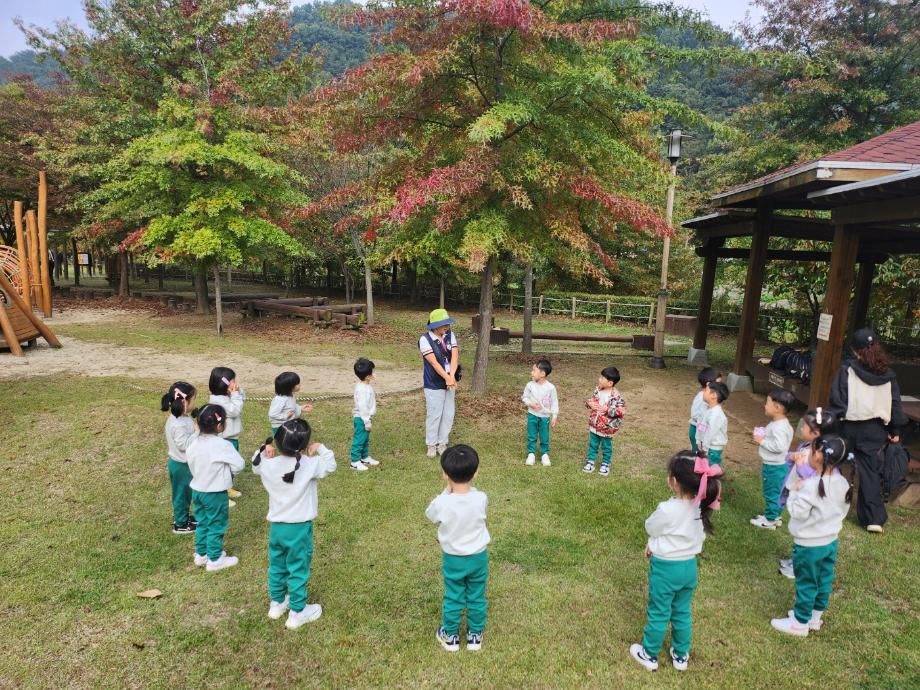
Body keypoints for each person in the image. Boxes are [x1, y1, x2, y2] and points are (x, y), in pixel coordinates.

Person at [629, 452, 723, 673]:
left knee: (659, 611)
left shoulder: (667, 509)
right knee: (682, 611)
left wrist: (653, 543)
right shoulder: (701, 507)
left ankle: (649, 654)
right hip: (689, 567)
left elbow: (651, 527)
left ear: (674, 482)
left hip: (665, 569)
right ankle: (681, 655)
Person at [252, 419, 337, 630]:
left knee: (277, 565)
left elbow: (255, 463)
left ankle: (277, 603)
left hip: (277, 528)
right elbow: (331, 465)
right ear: (304, 445)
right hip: (299, 528)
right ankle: (298, 612)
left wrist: (263, 449)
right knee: (298, 568)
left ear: (278, 442)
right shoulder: (310, 464)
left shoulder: (268, 465)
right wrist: (321, 448)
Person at [771, 435, 851, 637]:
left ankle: (799, 623)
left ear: (818, 456)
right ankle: (814, 618)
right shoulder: (843, 483)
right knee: (823, 580)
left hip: (808, 546)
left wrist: (794, 491)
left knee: (806, 582)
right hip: (830, 542)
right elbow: (841, 511)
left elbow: (797, 512)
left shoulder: (810, 485)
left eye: (811, 451)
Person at [829, 328, 908, 533]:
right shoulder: (888, 375)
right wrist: (895, 429)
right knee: (870, 472)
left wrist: (831, 426)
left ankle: (830, 506)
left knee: (835, 464)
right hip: (874, 429)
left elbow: (838, 401)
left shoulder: (846, 370)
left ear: (855, 350)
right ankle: (873, 519)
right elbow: (895, 405)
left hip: (848, 426)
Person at [426, 444, 490, 652]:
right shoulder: (481, 498)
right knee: (476, 595)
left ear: (445, 474)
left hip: (453, 558)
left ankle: (451, 637)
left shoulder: (442, 503)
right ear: (476, 472)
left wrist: (447, 491)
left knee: (454, 595)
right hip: (478, 557)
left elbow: (430, 514)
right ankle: (475, 636)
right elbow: (473, 498)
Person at [778, 408, 839, 579]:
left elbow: (816, 480)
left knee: (804, 536)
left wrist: (800, 467)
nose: (801, 428)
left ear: (816, 434)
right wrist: (792, 457)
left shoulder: (822, 456)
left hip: (809, 503)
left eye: (804, 426)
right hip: (799, 498)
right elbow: (789, 457)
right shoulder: (806, 446)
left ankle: (799, 568)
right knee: (797, 532)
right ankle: (795, 560)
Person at [187, 404, 246, 572]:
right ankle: (215, 559)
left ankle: (201, 554)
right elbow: (239, 465)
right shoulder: (222, 445)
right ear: (220, 426)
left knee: (203, 522)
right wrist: (228, 472)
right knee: (216, 524)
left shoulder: (193, 442)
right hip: (215, 493)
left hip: (197, 490)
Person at [750, 389, 796, 530]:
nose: (764, 405)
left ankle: (769, 520)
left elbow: (779, 447)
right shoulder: (779, 424)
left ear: (777, 408)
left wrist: (762, 440)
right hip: (777, 465)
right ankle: (775, 516)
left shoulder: (779, 427)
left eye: (767, 403)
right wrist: (764, 434)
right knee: (776, 492)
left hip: (774, 467)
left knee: (771, 493)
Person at [419, 308, 459, 458]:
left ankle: (442, 443)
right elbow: (434, 363)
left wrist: (452, 376)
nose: (447, 326)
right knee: (434, 414)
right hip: (434, 383)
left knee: (448, 414)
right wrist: (447, 378)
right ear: (434, 326)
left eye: (448, 323)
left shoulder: (450, 335)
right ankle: (431, 444)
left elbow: (454, 356)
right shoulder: (424, 340)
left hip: (450, 381)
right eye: (444, 324)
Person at [161, 381, 198, 535]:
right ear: (184, 402)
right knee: (181, 495)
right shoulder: (178, 424)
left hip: (184, 464)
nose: (194, 402)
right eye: (193, 399)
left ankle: (184, 517)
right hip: (181, 466)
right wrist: (197, 432)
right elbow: (183, 445)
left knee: (186, 493)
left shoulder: (182, 418)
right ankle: (180, 524)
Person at [208, 366, 245, 502]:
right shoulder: (218, 401)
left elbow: (241, 400)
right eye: (233, 381)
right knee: (224, 468)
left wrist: (238, 392)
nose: (235, 383)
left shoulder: (225, 396)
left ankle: (227, 487)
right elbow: (235, 410)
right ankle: (221, 495)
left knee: (230, 466)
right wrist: (235, 395)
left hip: (231, 438)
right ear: (224, 383)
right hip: (225, 439)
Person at [582, 366, 625, 477]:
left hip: (607, 427)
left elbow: (621, 411)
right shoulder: (598, 391)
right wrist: (589, 403)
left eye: (602, 378)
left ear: (610, 383)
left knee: (606, 447)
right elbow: (592, 401)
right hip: (594, 424)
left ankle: (605, 463)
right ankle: (590, 461)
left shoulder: (616, 397)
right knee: (593, 444)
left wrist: (608, 409)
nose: (599, 379)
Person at [521, 358, 559, 466]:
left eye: (534, 370)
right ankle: (531, 453)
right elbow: (525, 397)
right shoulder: (530, 385)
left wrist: (554, 415)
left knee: (544, 436)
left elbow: (554, 402)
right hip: (532, 415)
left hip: (544, 417)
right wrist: (530, 404)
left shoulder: (550, 388)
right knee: (532, 435)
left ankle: (544, 454)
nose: (531, 373)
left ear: (542, 374)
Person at [351, 357, 379, 471]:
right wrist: (367, 422)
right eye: (373, 371)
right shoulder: (363, 390)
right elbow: (363, 408)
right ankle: (354, 462)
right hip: (362, 419)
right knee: (359, 440)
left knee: (365, 439)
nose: (374, 373)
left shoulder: (364, 385)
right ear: (368, 376)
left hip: (365, 418)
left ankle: (364, 457)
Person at [695, 381, 729, 466]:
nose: (703, 392)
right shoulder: (709, 410)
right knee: (704, 467)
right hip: (706, 445)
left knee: (711, 468)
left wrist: (705, 448)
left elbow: (710, 432)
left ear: (713, 395)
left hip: (712, 448)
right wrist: (699, 440)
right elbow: (702, 426)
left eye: (706, 390)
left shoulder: (716, 414)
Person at [689, 368, 722, 454]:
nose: (720, 386)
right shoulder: (702, 397)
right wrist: (706, 419)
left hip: (701, 429)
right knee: (699, 454)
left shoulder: (707, 397)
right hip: (697, 429)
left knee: (700, 454)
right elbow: (695, 414)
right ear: (709, 384)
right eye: (718, 383)